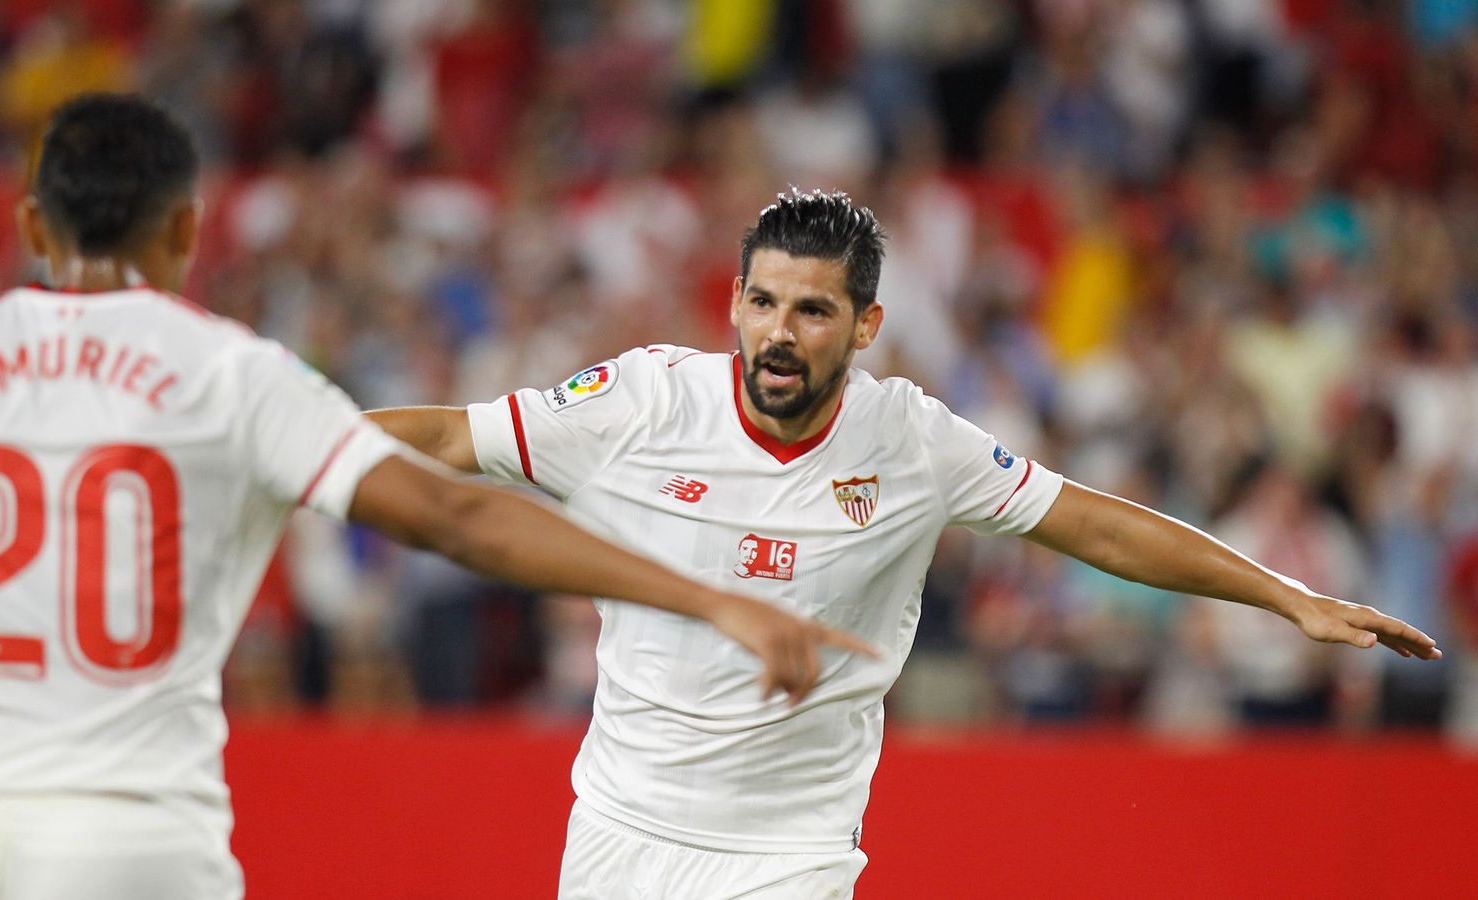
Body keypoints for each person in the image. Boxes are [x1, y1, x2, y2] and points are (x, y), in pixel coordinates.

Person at [0, 95, 874, 900]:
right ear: (186, 230)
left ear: (26, 226)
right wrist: (707, 598)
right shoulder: (230, 374)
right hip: (125, 832)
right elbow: (456, 512)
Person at [367, 188, 1442, 899]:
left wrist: (1282, 595)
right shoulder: (638, 403)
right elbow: (447, 438)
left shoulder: (913, 441)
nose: (778, 334)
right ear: (734, 303)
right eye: (760, 302)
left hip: (787, 857)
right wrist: (279, 445)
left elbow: (1091, 523)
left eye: (813, 312)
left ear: (866, 325)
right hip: (617, 835)